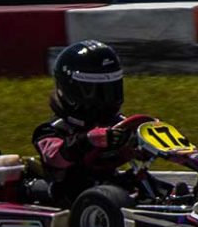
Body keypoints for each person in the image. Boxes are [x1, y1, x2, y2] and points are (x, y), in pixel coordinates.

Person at [30, 40, 134, 206]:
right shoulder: (51, 130)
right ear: (71, 90)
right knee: (101, 194)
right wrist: (87, 140)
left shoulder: (116, 123)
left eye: (110, 90)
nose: (105, 99)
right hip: (69, 196)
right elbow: (55, 157)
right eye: (97, 92)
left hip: (110, 188)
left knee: (140, 181)